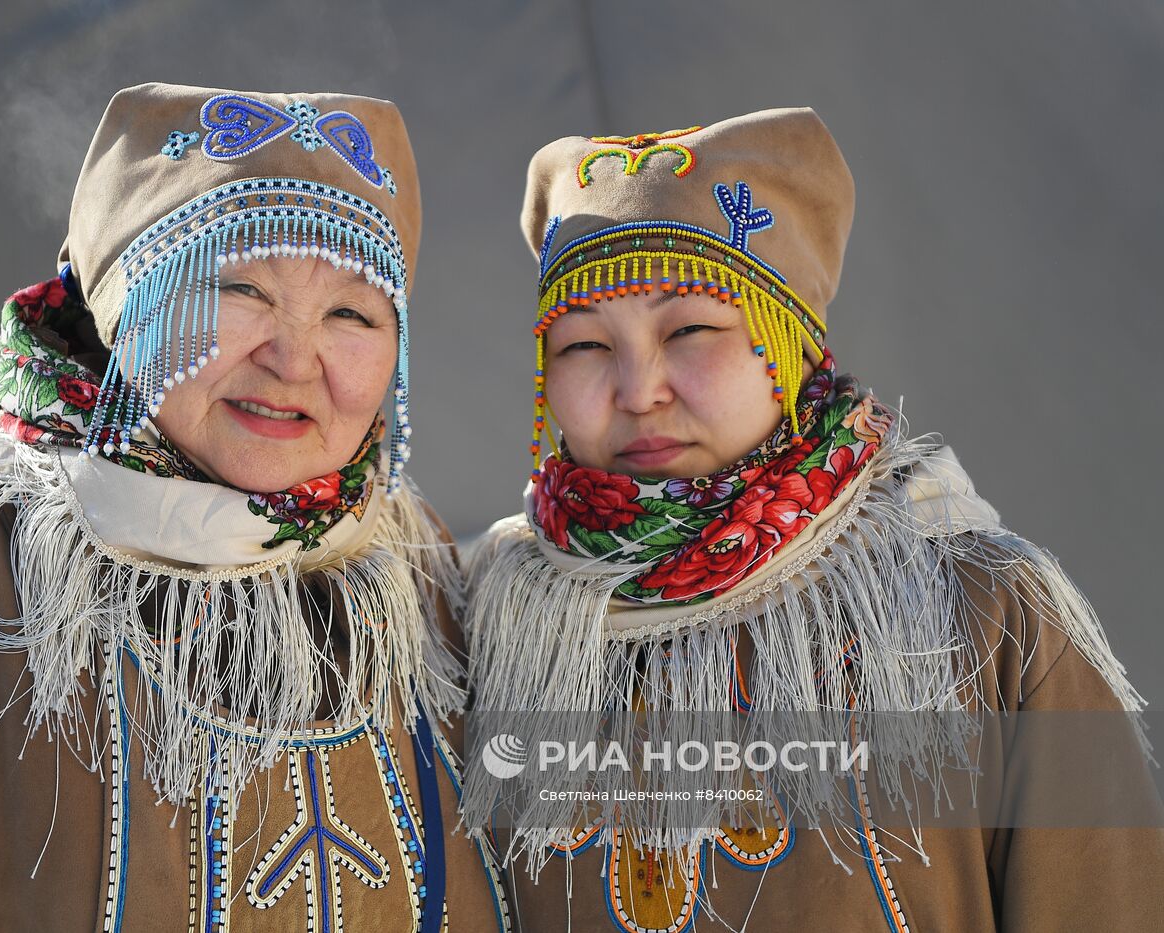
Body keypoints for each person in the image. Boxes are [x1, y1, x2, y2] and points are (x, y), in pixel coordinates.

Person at [0, 82, 510, 932]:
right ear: (123, 304)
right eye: (240, 288)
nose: (294, 358)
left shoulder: (421, 574)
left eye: (351, 311)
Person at [463, 109, 1164, 930]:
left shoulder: (981, 613)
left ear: (792, 344)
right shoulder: (486, 619)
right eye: (584, 345)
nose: (639, 388)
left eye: (691, 328)